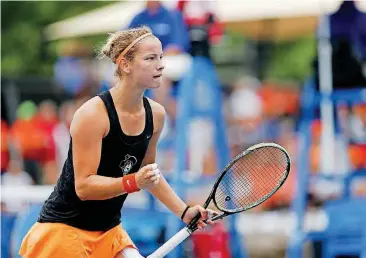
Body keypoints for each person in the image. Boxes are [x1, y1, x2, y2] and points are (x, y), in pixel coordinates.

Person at [19, 26, 214, 258]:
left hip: (110, 232)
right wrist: (133, 182)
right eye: (150, 58)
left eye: (160, 57)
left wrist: (184, 212)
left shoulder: (157, 115)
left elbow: (148, 175)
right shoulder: (92, 114)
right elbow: (84, 187)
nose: (161, 65)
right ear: (125, 64)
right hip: (64, 231)